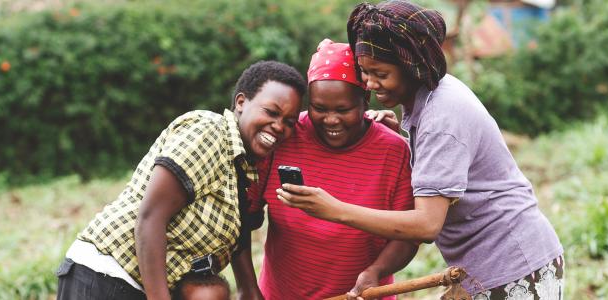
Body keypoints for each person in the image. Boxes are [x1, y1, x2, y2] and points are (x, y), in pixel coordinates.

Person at [277, 2, 565, 299]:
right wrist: (405, 142)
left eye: (380, 73)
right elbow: (443, 169)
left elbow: (426, 225)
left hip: (514, 265)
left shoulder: (442, 116)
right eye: (365, 72)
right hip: (484, 266)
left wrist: (334, 209)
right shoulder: (429, 97)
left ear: (411, 66)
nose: (370, 84)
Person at [55, 60, 305, 300]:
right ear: (241, 102)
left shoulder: (243, 167)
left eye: (289, 122)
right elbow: (151, 217)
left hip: (141, 286)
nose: (279, 126)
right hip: (108, 277)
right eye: (271, 112)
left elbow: (238, 240)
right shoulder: (209, 132)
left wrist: (249, 290)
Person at [234, 39, 418, 300]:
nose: (331, 120)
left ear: (365, 99)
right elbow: (242, 218)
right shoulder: (284, 136)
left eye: (344, 110)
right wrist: (248, 290)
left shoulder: (394, 151)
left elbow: (409, 236)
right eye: (319, 108)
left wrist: (376, 271)